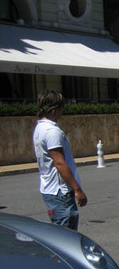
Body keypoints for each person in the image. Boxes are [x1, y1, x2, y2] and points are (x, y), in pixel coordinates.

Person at [33, 90, 87, 230]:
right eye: (61, 108)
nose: (62, 111)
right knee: (66, 235)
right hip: (60, 192)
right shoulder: (52, 131)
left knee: (60, 233)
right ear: (54, 110)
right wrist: (77, 189)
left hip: (50, 189)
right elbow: (59, 163)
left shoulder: (40, 128)